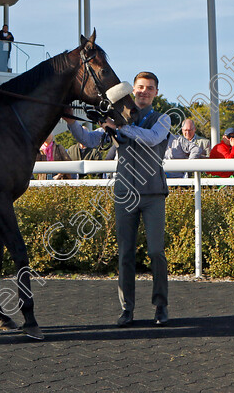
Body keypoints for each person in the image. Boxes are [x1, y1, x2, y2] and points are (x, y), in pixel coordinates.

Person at [65, 71, 170, 327]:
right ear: (133, 91)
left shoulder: (163, 119)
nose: (144, 91)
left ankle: (161, 306)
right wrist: (70, 123)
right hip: (124, 194)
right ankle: (127, 309)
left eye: (149, 88)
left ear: (156, 92)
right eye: (140, 87)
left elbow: (152, 138)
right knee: (125, 254)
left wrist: (121, 128)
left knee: (156, 252)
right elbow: (89, 140)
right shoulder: (116, 120)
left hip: (153, 193)